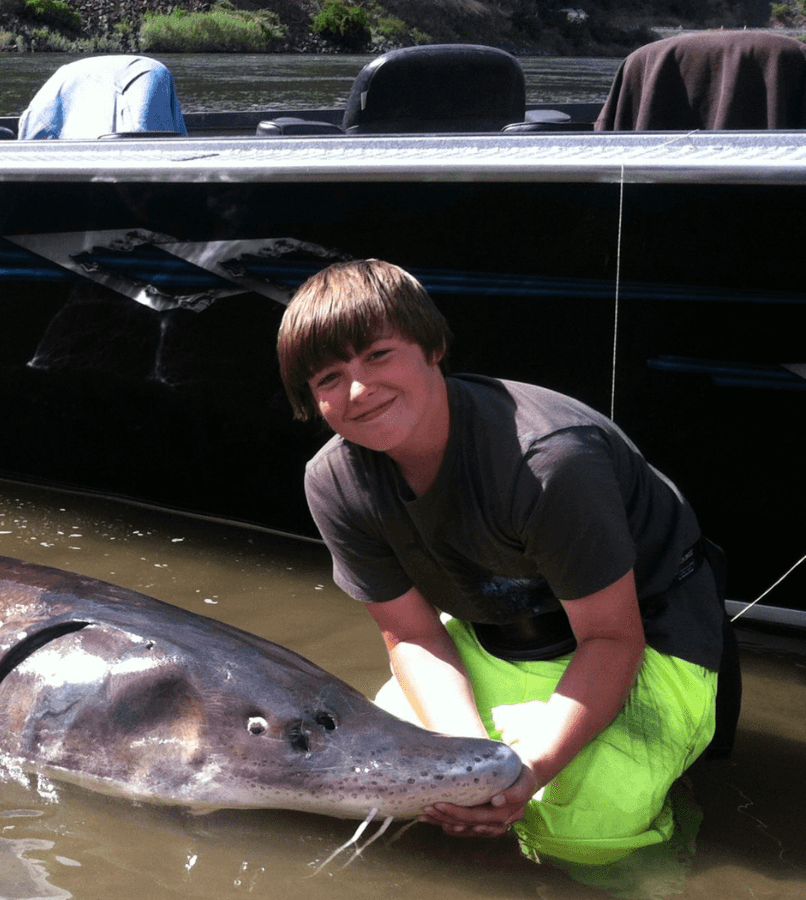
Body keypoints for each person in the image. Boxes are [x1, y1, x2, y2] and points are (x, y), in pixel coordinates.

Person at [276, 259, 732, 869]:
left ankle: (671, 855)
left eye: (379, 355)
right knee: (381, 789)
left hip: (646, 631)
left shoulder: (548, 460)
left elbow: (611, 637)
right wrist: (471, 765)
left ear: (432, 347)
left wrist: (532, 771)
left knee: (585, 833)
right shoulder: (332, 482)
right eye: (329, 377)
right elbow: (411, 634)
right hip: (497, 630)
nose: (358, 390)